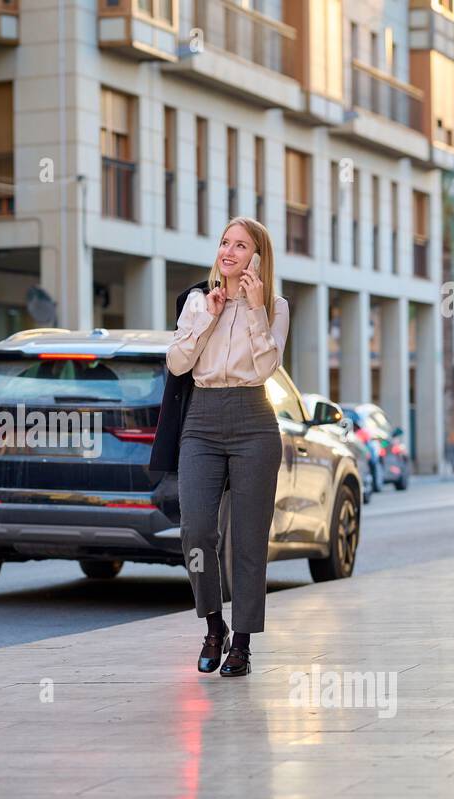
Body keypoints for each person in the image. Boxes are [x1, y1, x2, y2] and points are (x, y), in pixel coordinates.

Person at [165, 217, 290, 677]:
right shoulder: (197, 301)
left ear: (258, 258)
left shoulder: (275, 306)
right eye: (224, 242)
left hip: (254, 420)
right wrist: (208, 318)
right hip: (201, 419)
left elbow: (265, 369)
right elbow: (178, 363)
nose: (229, 252)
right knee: (196, 530)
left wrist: (255, 310)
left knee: (249, 540)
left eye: (241, 246)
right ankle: (213, 625)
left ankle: (242, 642)